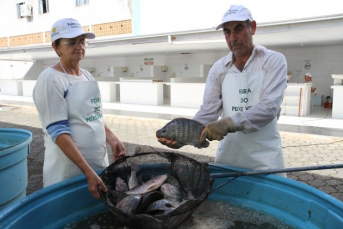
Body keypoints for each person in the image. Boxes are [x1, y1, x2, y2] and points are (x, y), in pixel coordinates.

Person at [158, 5, 287, 175]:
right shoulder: (219, 68)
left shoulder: (273, 61)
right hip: (229, 156)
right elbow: (208, 110)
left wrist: (228, 123)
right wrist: (187, 136)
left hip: (266, 159)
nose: (233, 38)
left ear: (252, 27)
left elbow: (269, 107)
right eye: (227, 32)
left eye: (238, 29)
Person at [33, 18, 126, 198]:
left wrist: (112, 138)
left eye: (82, 41)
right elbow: (58, 132)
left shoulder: (86, 76)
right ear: (56, 47)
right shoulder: (50, 80)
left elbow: (94, 114)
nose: (79, 46)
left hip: (97, 164)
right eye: (71, 42)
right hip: (69, 170)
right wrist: (86, 171)